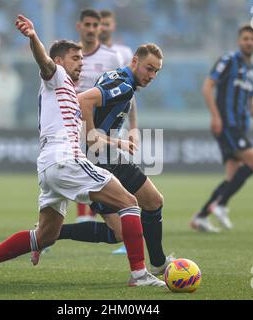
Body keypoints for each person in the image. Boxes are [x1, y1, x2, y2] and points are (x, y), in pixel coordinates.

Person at [0, 14, 164, 288]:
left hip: (49, 167)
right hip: (66, 160)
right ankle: (139, 274)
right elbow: (45, 62)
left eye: (82, 60)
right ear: (61, 61)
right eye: (76, 59)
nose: (81, 65)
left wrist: (116, 142)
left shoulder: (67, 96)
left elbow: (86, 130)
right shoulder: (57, 76)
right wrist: (33, 37)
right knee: (130, 203)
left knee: (45, 236)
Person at [57, 43, 175, 276]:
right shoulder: (123, 85)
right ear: (134, 62)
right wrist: (92, 136)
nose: (152, 76)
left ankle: (159, 263)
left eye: (156, 71)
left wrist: (132, 127)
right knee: (142, 212)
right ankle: (157, 264)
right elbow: (83, 101)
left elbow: (127, 98)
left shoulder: (121, 79)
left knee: (138, 216)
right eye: (149, 69)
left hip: (107, 155)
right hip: (98, 159)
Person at [190, 25, 253, 233]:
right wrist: (215, 116)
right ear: (239, 41)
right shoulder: (228, 61)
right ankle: (221, 204)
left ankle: (201, 217)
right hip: (227, 124)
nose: (249, 42)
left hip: (240, 126)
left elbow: (250, 104)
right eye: (245, 38)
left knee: (231, 176)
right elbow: (208, 86)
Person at [74, 9, 135, 223]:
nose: (92, 29)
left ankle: (110, 219)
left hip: (104, 126)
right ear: (79, 26)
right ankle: (81, 218)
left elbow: (128, 93)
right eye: (87, 25)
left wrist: (133, 127)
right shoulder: (72, 54)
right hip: (74, 124)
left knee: (109, 171)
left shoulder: (112, 57)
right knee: (70, 172)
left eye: (95, 25)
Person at [98, 9, 138, 255]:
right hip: (88, 126)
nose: (101, 28)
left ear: (112, 26)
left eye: (105, 23)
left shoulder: (121, 54)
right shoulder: (79, 53)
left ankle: (47, 233)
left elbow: (130, 94)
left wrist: (133, 128)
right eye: (97, 23)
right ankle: (45, 233)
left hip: (111, 128)